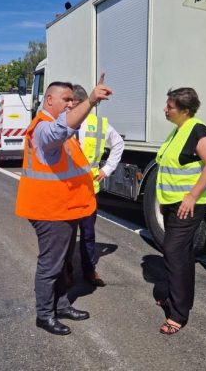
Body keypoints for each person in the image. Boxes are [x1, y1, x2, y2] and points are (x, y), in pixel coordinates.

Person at [15, 76, 113, 336]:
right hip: (50, 211)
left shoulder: (61, 129)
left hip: (65, 209)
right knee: (50, 265)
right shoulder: (43, 128)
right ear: (49, 100)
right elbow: (60, 131)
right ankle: (44, 315)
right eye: (66, 99)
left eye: (73, 99)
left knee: (60, 264)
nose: (71, 104)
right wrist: (90, 100)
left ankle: (61, 304)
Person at [155, 87, 206, 335]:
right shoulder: (178, 130)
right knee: (180, 253)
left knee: (173, 251)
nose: (165, 109)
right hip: (173, 203)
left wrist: (192, 196)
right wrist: (164, 200)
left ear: (184, 110)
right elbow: (170, 168)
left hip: (189, 205)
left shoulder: (197, 130)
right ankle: (177, 299)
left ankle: (178, 314)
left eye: (170, 106)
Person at [64, 84, 124, 287]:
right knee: (67, 235)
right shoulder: (63, 123)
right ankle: (67, 272)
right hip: (67, 189)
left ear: (80, 102)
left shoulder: (98, 124)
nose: (68, 105)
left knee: (88, 234)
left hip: (89, 189)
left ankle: (89, 271)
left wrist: (107, 169)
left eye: (71, 101)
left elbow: (118, 143)